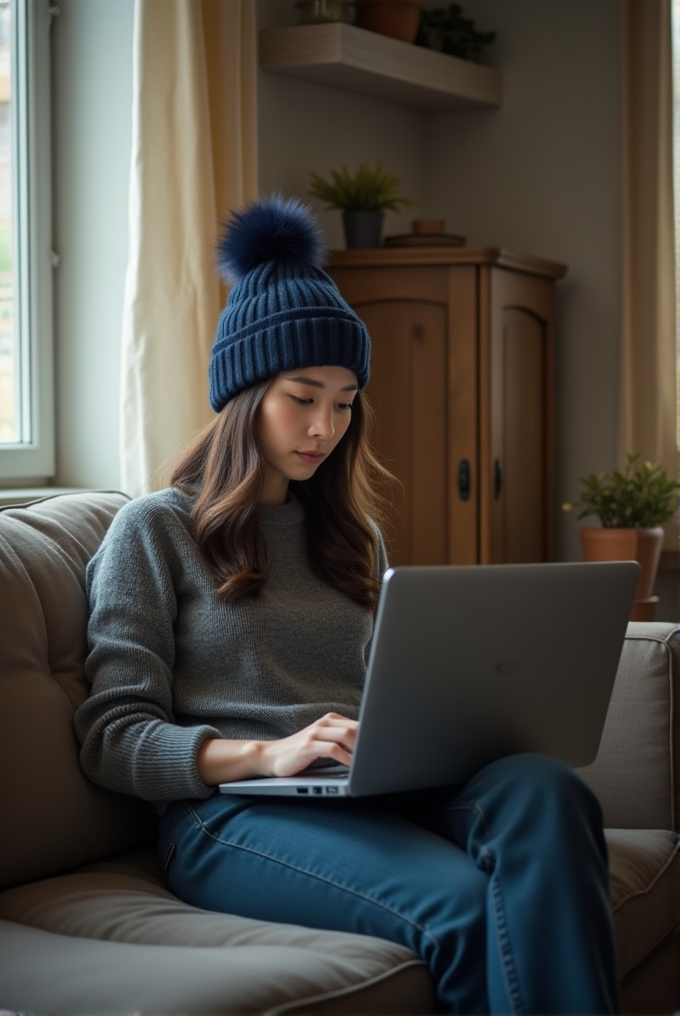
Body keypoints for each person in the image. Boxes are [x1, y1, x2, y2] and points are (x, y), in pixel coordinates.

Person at [75, 195, 619, 1015]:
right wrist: (268, 755)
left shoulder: (353, 535)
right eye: (303, 395)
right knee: (469, 908)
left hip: (365, 787)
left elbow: (390, 692)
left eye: (345, 400)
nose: (325, 426)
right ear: (245, 393)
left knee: (547, 789)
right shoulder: (154, 531)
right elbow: (115, 740)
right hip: (233, 815)